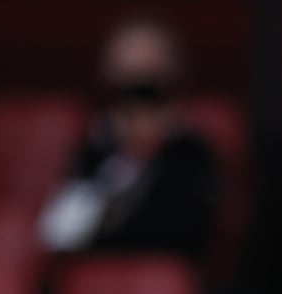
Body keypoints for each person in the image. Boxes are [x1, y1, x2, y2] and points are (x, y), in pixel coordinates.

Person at [38, 15, 221, 263]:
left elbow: (187, 236)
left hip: (161, 282)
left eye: (148, 62)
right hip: (94, 280)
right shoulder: (94, 151)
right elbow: (61, 233)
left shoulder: (191, 153)